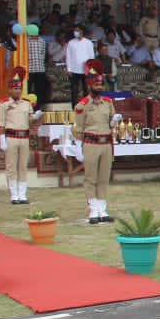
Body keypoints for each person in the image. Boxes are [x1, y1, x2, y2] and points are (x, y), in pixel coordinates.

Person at [74, 60, 122, 224]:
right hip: (91, 143)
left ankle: (102, 208)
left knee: (103, 177)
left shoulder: (108, 103)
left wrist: (114, 121)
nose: (100, 87)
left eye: (101, 84)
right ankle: (93, 209)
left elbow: (110, 122)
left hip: (106, 143)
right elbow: (79, 129)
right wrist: (78, 148)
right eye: (96, 84)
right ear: (89, 85)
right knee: (91, 178)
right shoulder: (82, 105)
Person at [0, 69, 43, 204]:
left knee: (23, 166)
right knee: (11, 166)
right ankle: (13, 194)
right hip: (11, 137)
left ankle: (22, 194)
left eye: (19, 88)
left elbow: (30, 120)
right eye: (14, 88)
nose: (17, 91)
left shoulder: (26, 103)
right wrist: (1, 139)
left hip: (24, 137)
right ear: (9, 90)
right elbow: (1, 123)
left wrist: (35, 116)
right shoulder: (4, 103)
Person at [66, 25, 95, 104]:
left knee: (86, 89)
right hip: (74, 70)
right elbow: (68, 57)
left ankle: (86, 107)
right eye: (75, 31)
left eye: (77, 30)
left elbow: (91, 56)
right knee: (74, 90)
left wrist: (91, 69)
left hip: (86, 69)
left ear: (82, 31)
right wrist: (69, 69)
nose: (76, 32)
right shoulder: (71, 43)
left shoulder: (88, 43)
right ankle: (74, 107)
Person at [26, 29, 49, 109]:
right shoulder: (26, 41)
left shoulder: (42, 41)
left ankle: (38, 106)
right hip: (29, 69)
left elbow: (43, 54)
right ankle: (27, 106)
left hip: (40, 69)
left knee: (39, 90)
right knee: (27, 89)